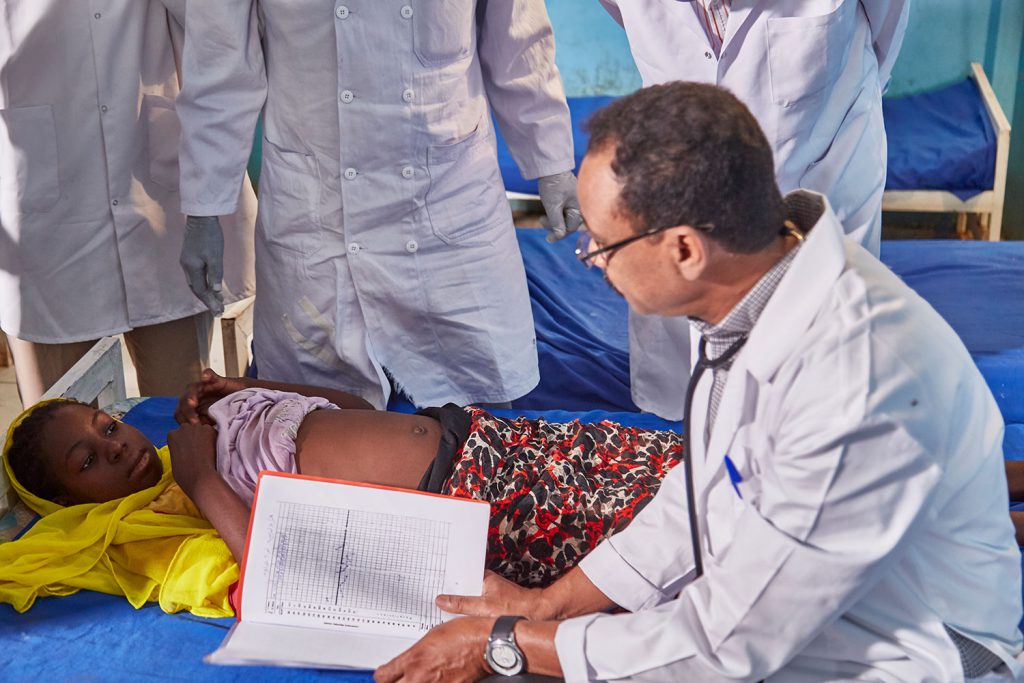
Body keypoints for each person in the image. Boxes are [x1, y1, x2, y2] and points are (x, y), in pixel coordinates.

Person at [373, 83, 1023, 682]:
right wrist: (549, 604)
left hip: (921, 649)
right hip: (811, 615)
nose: (591, 263)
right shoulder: (754, 296)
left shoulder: (857, 385)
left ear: (684, 248)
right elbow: (704, 492)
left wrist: (503, 644)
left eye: (600, 245)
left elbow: (727, 643)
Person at [0, 370, 681, 615]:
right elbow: (273, 567)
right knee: (682, 524)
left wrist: (259, 393)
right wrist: (200, 477)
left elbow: (352, 406)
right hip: (478, 500)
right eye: (88, 460)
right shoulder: (171, 514)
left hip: (482, 436)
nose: (115, 443)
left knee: (692, 462)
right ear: (74, 504)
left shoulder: (196, 427)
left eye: (107, 424)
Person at [175, 1, 581, 410]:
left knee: (479, 412)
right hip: (318, 207)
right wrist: (203, 210)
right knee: (318, 426)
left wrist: (552, 163)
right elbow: (220, 66)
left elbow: (517, 38)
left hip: (448, 198)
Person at [597, 0, 910, 420]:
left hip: (820, 149)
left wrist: (852, 87)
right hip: (681, 148)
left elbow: (885, 25)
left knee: (816, 380)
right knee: (688, 406)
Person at [0, 0, 256, 406]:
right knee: (57, 429)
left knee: (181, 415)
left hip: (159, 199)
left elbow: (219, 29)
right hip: (45, 213)